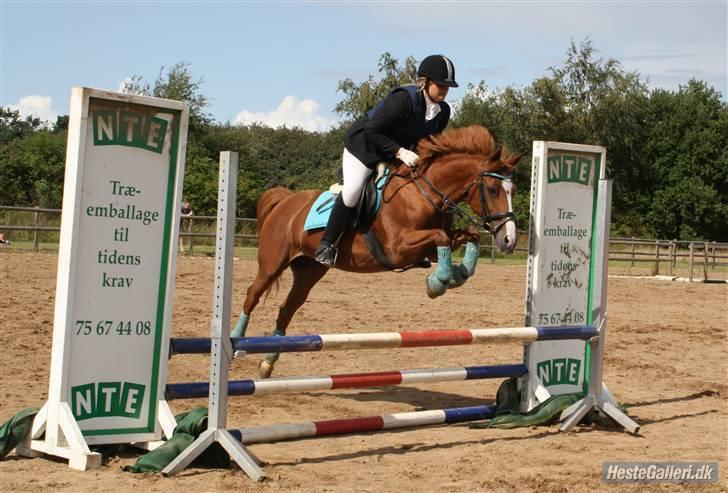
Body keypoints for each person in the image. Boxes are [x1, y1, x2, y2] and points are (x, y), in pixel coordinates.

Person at [314, 54, 458, 267]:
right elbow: (372, 130)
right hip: (364, 148)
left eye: (448, 86)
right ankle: (327, 245)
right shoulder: (404, 99)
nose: (445, 90)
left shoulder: (443, 111)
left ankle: (414, 248)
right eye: (441, 85)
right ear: (425, 82)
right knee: (353, 191)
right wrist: (400, 152)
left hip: (394, 155)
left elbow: (428, 143)